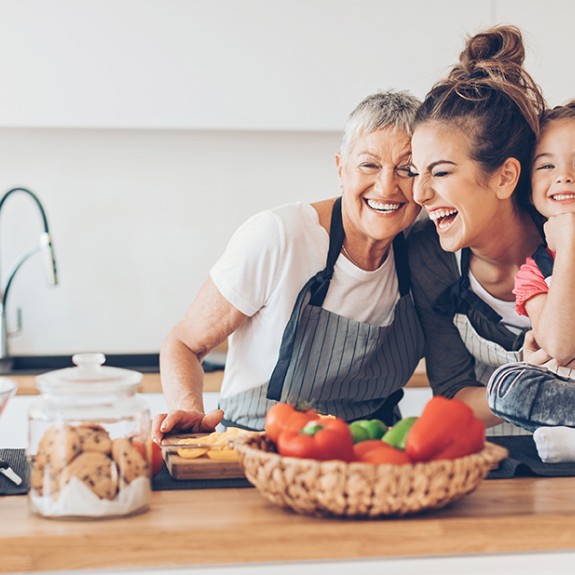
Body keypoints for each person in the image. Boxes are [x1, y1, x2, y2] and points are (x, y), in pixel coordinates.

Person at [152, 90, 425, 441]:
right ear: (341, 169)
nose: (387, 186)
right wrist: (190, 410)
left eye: (408, 169)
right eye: (369, 165)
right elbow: (183, 343)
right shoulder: (279, 237)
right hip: (257, 450)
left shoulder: (428, 252)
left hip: (371, 455)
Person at [406, 25, 546, 429]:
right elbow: (451, 393)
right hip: (492, 459)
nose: (420, 194)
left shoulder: (564, 243)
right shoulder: (430, 257)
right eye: (417, 173)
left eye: (442, 172)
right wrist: (524, 387)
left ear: (505, 177)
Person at [487, 100, 575, 438]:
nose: (564, 175)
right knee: (507, 386)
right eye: (546, 166)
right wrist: (568, 247)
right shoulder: (534, 271)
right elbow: (561, 346)